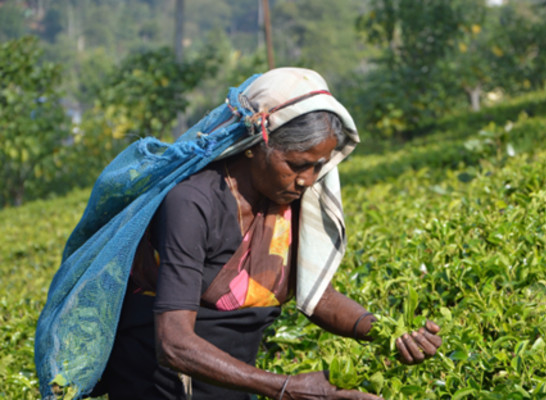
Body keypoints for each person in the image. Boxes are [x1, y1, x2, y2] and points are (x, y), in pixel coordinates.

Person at [95, 67, 442, 400]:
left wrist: (389, 333)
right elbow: (173, 342)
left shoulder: (289, 199)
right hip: (158, 385)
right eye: (296, 164)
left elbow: (317, 295)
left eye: (318, 166)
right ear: (255, 145)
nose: (307, 179)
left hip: (234, 380)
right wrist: (286, 387)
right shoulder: (192, 202)